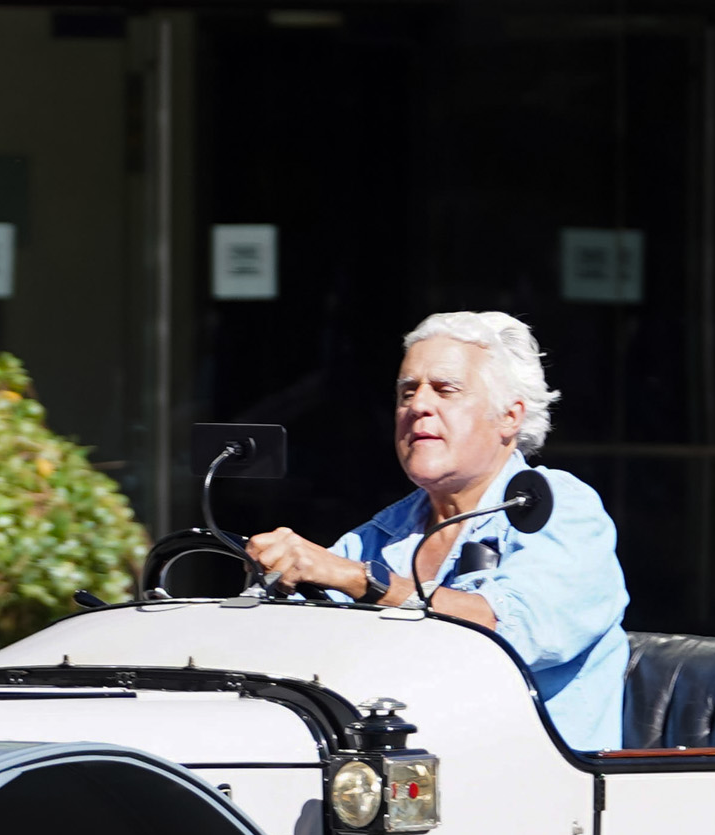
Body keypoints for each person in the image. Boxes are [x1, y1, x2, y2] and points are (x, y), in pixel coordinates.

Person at [245, 312, 631, 752]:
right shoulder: (383, 534)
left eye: (445, 390)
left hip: (539, 793)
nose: (418, 406)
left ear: (509, 417)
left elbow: (505, 633)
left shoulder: (557, 506)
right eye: (407, 391)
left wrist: (362, 581)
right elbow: (299, 641)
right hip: (394, 789)